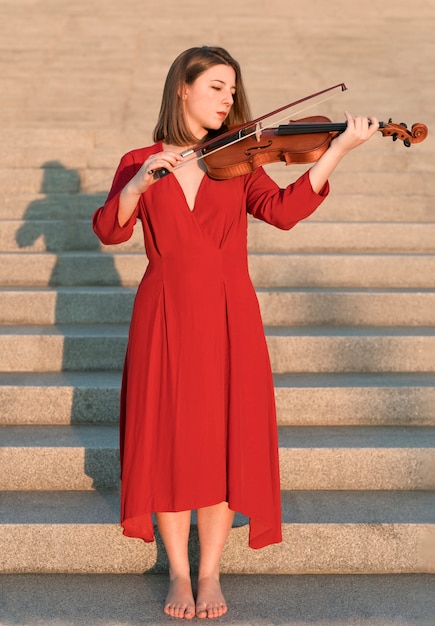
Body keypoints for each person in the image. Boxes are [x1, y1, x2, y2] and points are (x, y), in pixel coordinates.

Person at [93, 45, 379, 620]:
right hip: (164, 309)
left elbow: (282, 210)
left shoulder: (241, 158)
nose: (228, 99)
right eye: (217, 86)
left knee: (222, 438)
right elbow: (109, 231)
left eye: (232, 89)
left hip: (229, 312)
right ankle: (177, 572)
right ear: (183, 88)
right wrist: (137, 187)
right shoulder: (139, 160)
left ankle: (209, 572)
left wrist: (337, 152)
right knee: (173, 439)